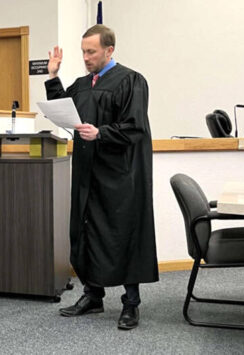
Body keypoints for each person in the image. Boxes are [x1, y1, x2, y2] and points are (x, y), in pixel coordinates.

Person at [45, 24, 159, 330]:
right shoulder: (83, 84)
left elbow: (135, 127)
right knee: (86, 232)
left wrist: (101, 132)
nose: (85, 57)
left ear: (109, 50)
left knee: (122, 234)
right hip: (87, 172)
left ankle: (131, 303)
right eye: (83, 51)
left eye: (91, 51)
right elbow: (62, 111)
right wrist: (53, 77)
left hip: (119, 175)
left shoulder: (131, 81)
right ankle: (92, 295)